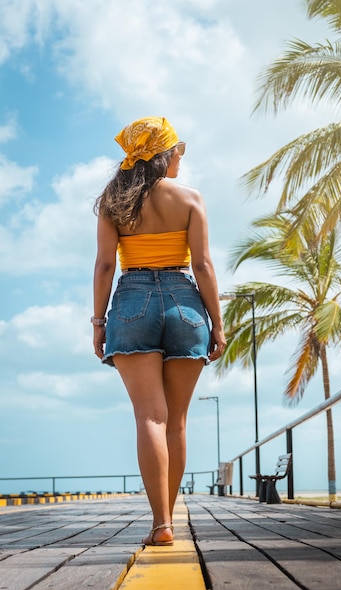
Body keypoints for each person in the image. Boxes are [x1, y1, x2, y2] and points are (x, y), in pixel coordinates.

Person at [92, 116, 226, 546]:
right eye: (177, 152)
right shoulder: (190, 199)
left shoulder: (114, 200)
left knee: (149, 416)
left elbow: (105, 266)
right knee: (177, 421)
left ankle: (161, 523)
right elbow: (203, 266)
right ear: (164, 155)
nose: (180, 160)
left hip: (131, 303)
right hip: (185, 303)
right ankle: (168, 517)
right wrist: (218, 326)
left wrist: (99, 323)